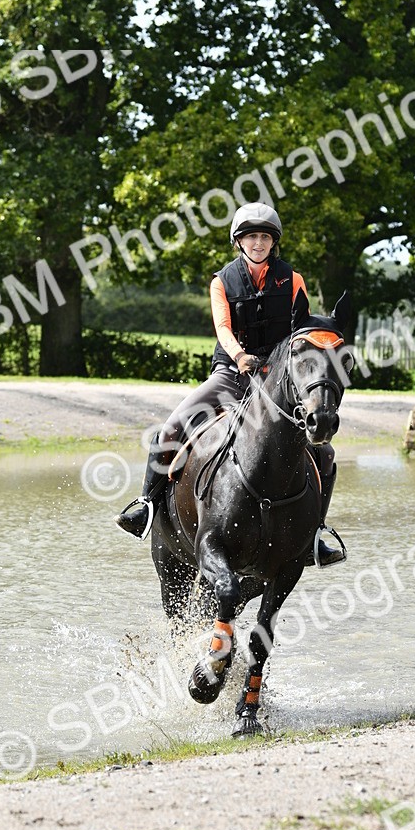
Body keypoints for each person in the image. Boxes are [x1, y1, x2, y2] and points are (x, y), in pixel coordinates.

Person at [114, 202, 346, 567]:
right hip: (230, 374)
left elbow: (299, 332)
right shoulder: (222, 281)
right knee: (169, 431)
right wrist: (239, 355)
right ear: (239, 241)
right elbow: (223, 327)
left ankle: (316, 533)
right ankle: (145, 506)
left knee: (325, 454)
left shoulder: (293, 280)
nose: (258, 243)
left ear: (273, 242)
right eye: (251, 236)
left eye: (265, 237)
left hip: (276, 382)